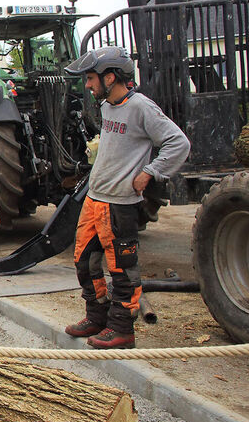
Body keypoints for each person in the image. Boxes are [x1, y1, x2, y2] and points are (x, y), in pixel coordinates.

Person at [63, 46, 190, 349]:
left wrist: (150, 172)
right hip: (95, 199)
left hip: (120, 205)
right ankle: (97, 317)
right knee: (84, 261)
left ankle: (121, 330)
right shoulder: (107, 106)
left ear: (110, 76)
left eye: (92, 78)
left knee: (122, 270)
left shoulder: (142, 108)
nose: (89, 85)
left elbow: (178, 143)